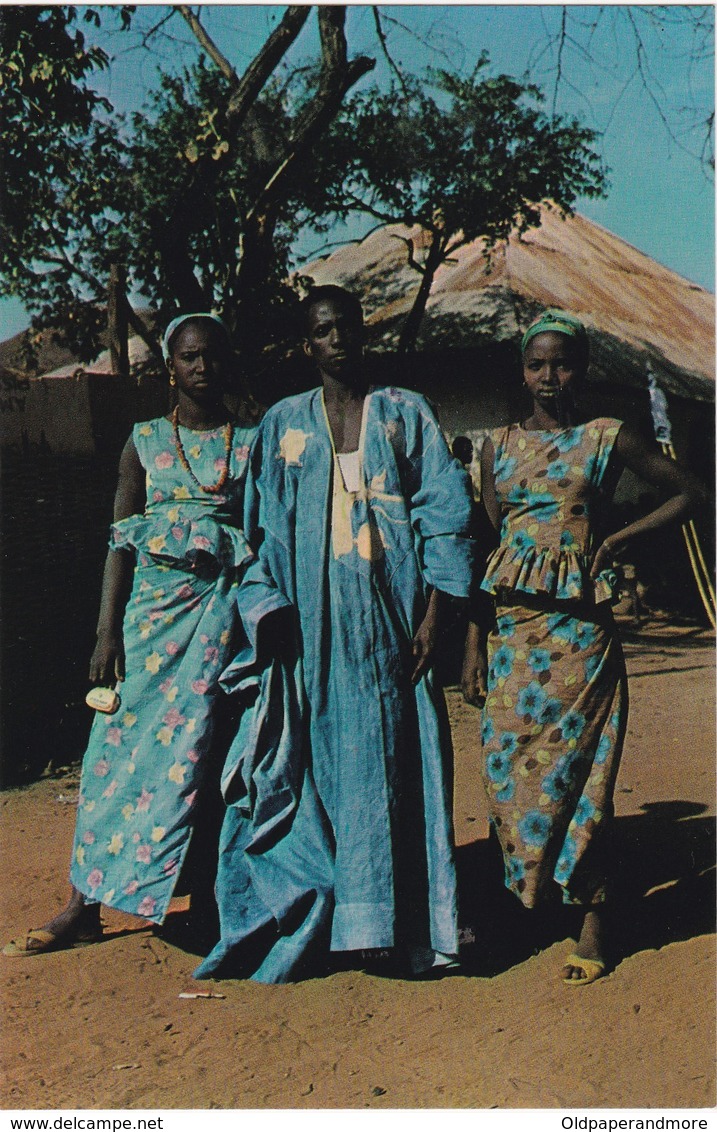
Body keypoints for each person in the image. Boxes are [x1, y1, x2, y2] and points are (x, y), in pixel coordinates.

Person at [193, 284, 475, 983]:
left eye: (347, 326)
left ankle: (404, 927)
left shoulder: (406, 413)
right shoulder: (283, 426)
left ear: (362, 331)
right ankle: (341, 925)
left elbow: (445, 512)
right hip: (311, 632)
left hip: (394, 625)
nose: (337, 340)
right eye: (323, 331)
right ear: (307, 344)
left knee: (401, 766)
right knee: (316, 768)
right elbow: (256, 534)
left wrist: (438, 613)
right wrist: (270, 613)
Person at [461, 309, 705, 985]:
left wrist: (622, 539)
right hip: (512, 638)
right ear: (521, 371)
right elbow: (490, 544)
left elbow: (691, 491)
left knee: (583, 787)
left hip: (579, 642)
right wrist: (473, 644)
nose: (549, 376)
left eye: (562, 363)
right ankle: (522, 905)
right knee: (506, 781)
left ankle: (594, 923)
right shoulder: (496, 447)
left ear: (582, 367)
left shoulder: (607, 437)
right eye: (536, 364)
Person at [4, 314, 257, 955]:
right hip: (149, 627)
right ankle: (81, 904)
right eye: (188, 357)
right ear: (169, 367)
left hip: (219, 624)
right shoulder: (142, 441)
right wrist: (104, 634)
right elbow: (119, 543)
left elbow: (269, 538)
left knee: (207, 758)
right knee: (113, 759)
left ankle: (204, 898)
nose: (201, 367)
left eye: (212, 355)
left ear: (227, 361)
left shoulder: (252, 442)